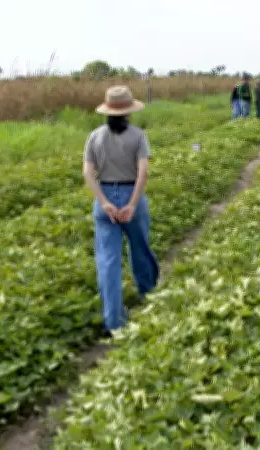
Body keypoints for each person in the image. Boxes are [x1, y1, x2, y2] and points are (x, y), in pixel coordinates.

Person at [83, 86, 159, 337]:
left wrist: (104, 202)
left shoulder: (94, 137)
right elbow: (143, 173)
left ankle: (113, 321)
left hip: (104, 199)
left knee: (108, 261)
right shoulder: (138, 136)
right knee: (140, 248)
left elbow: (87, 174)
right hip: (131, 196)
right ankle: (148, 295)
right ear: (129, 112)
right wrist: (132, 204)